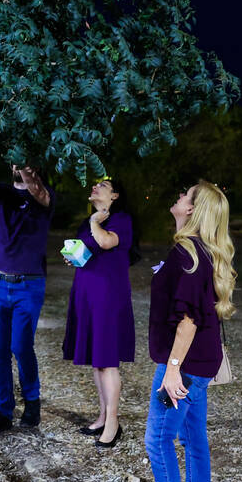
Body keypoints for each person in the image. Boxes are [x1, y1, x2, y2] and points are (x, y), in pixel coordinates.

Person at [134, 181, 237, 482]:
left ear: (193, 210)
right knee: (193, 438)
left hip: (185, 365)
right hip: (199, 364)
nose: (177, 197)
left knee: (157, 441)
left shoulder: (187, 252)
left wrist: (172, 370)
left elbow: (189, 318)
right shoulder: (200, 251)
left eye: (184, 195)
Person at [0, 152, 56, 437]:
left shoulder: (44, 196)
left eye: (24, 161)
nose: (17, 165)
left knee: (21, 346)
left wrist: (27, 170)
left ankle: (32, 401)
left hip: (28, 285)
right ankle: (3, 411)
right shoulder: (2, 193)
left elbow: (37, 190)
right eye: (14, 160)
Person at [61, 177, 136, 448]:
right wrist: (74, 256)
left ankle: (114, 424)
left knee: (108, 361)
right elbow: (88, 251)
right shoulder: (89, 221)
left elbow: (105, 243)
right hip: (87, 294)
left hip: (108, 296)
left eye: (102, 186)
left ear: (115, 196)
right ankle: (103, 416)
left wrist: (95, 223)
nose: (94, 187)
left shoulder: (121, 220)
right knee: (97, 359)